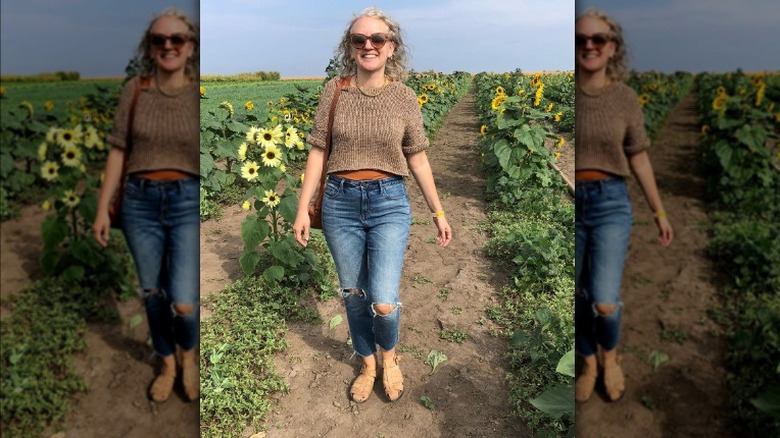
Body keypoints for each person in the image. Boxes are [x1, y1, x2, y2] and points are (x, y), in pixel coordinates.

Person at [293, 7, 452, 403]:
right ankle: (367, 362)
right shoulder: (335, 90)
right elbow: (318, 151)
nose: (368, 45)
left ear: (390, 47)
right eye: (359, 40)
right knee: (353, 293)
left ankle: (390, 358)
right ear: (350, 48)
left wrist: (438, 212)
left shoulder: (404, 97)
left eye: (376, 39)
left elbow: (417, 157)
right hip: (339, 204)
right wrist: (301, 208)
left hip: (389, 203)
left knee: (382, 299)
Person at [93, 8, 200, 403]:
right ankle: (167, 360)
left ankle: (188, 356)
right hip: (139, 201)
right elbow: (118, 151)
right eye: (159, 40)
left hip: (187, 201)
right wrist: (104, 208)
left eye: (177, 39)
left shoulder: (197, 94)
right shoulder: (135, 91)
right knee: (153, 291)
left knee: (185, 299)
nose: (168, 46)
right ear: (150, 47)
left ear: (190, 47)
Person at [574, 8, 673, 403]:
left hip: (611, 201)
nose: (589, 45)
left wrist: (659, 211)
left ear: (612, 47)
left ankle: (609, 358)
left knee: (604, 300)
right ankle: (588, 362)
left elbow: (639, 157)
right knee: (576, 296)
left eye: (598, 39)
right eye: (581, 39)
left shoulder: (625, 98)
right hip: (572, 202)